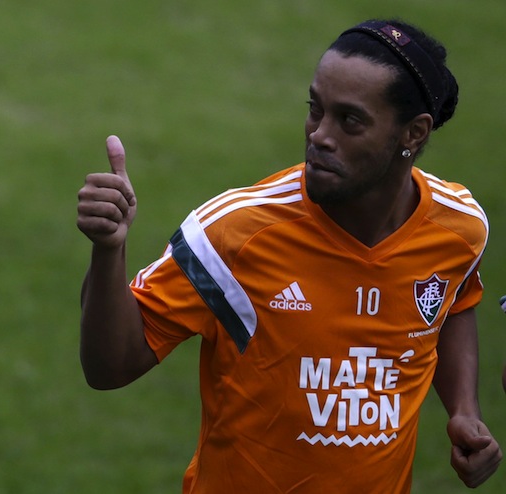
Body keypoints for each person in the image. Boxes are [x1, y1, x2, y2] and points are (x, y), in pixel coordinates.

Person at [76, 18, 503, 493]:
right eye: (315, 109)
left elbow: (454, 298)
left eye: (349, 120)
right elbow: (108, 367)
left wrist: (464, 409)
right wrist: (108, 251)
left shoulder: (458, 227)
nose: (319, 135)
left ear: (414, 134)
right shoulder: (234, 234)